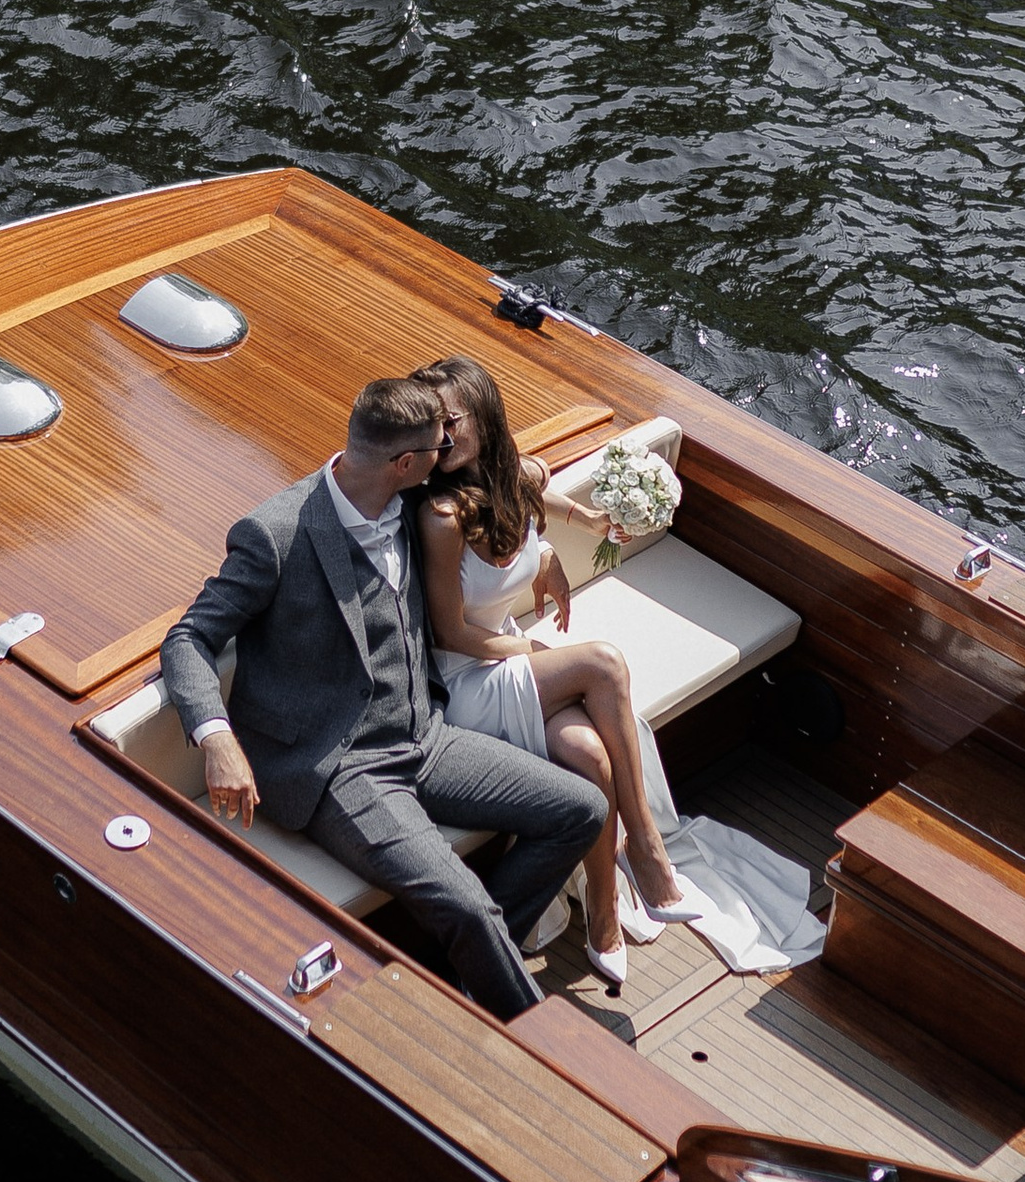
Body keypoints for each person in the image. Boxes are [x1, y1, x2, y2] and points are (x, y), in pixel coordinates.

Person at [157, 371, 604, 1023]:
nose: (448, 452)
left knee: (581, 809)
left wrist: (548, 557)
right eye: (438, 445)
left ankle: (457, 986)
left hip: (425, 736)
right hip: (339, 768)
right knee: (469, 906)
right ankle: (538, 1043)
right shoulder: (276, 533)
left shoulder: (418, 505)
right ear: (404, 462)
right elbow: (188, 638)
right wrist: (217, 738)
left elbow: (514, 480)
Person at [411, 354, 689, 996]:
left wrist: (576, 536)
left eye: (452, 422)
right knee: (603, 662)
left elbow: (544, 494)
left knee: (590, 756)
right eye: (432, 428)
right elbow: (450, 633)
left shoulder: (516, 476)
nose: (442, 439)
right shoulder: (441, 517)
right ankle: (646, 853)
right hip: (466, 682)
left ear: (484, 416)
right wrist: (530, 654)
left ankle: (604, 915)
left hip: (508, 659)